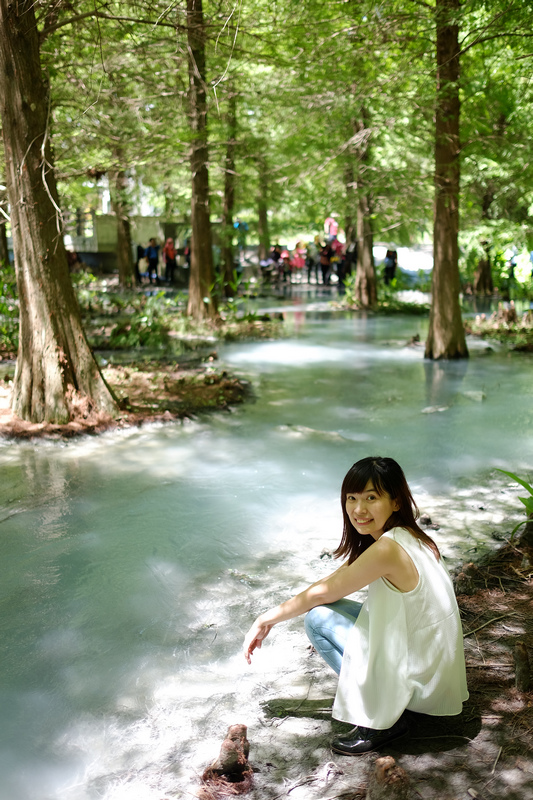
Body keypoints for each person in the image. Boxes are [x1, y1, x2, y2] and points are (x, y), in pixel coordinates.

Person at [243, 456, 469, 756]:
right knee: (333, 606)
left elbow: (320, 596)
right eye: (352, 498)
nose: (358, 509)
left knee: (318, 619)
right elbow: (333, 582)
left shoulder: (387, 549)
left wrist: (265, 619)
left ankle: (382, 722)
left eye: (371, 498)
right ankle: (388, 702)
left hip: (420, 679)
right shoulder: (409, 536)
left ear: (397, 502)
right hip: (432, 672)